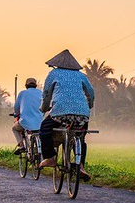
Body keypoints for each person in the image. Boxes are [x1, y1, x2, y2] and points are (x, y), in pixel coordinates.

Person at [38, 49, 95, 180]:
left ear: (56, 64)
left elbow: (46, 94)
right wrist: (89, 106)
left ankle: (50, 158)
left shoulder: (54, 73)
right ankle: (80, 166)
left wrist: (44, 108)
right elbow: (91, 92)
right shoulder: (81, 76)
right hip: (82, 115)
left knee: (44, 129)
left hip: (60, 113)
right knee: (80, 137)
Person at [11, 77, 43, 155]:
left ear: (26, 85)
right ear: (36, 85)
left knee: (14, 128)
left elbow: (16, 107)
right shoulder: (41, 93)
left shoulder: (22, 93)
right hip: (39, 122)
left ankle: (21, 146)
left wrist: (16, 114)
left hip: (25, 122)